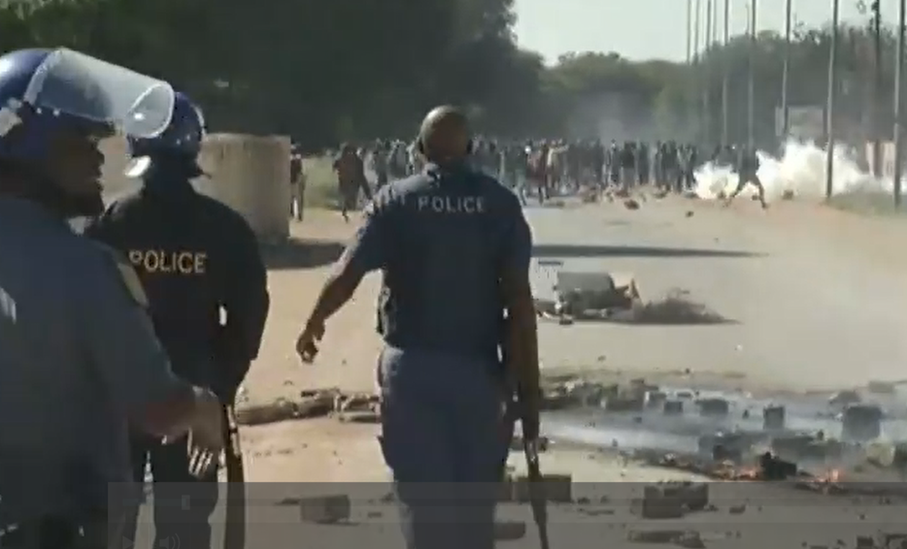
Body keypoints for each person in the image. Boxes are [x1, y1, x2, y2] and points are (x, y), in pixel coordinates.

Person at [0, 47, 226, 549]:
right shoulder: (84, 267)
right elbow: (159, 410)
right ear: (28, 144)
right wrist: (205, 406)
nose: (100, 156)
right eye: (81, 139)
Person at [295, 105, 541, 549]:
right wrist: (529, 387)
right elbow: (520, 303)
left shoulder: (396, 200)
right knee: (474, 510)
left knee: (423, 505)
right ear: (471, 148)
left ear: (419, 148)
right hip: (479, 374)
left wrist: (315, 321)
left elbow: (347, 272)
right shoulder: (500, 204)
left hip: (412, 373)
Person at [84, 91, 270, 549]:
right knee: (185, 529)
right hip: (191, 396)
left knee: (108, 526)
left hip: (119, 398)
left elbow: (85, 313)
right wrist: (219, 387)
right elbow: (248, 317)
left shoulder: (110, 224)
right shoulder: (226, 228)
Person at [724, 144, 768, 209]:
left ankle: (728, 201)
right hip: (750, 174)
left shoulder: (745, 155)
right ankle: (763, 203)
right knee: (761, 188)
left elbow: (736, 156)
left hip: (744, 175)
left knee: (738, 190)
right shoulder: (752, 157)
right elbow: (756, 166)